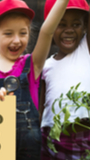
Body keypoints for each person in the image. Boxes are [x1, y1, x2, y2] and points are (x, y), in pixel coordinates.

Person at [0, 0, 69, 159]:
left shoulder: (33, 65)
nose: (16, 40)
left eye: (23, 33)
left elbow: (47, 31)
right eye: (8, 33)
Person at [39, 0, 90, 159]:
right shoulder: (45, 65)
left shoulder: (86, 50)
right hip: (50, 141)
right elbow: (41, 108)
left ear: (85, 27)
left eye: (76, 24)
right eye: (61, 24)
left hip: (84, 136)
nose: (69, 30)